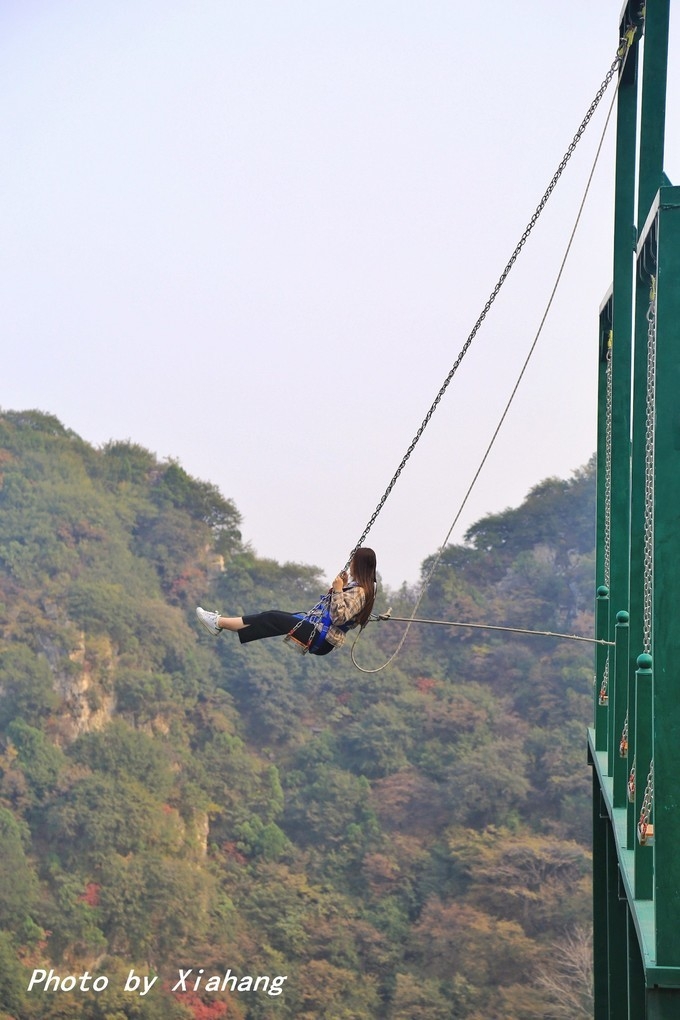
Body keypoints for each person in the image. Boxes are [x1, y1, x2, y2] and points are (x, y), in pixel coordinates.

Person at [196, 547, 377, 656]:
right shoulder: (357, 588)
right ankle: (219, 624)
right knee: (270, 618)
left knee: (273, 618)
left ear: (358, 564)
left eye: (353, 561)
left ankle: (218, 622)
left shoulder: (361, 591)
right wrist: (341, 588)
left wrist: (338, 590)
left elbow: (339, 618)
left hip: (322, 638)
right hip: (320, 633)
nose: (351, 564)